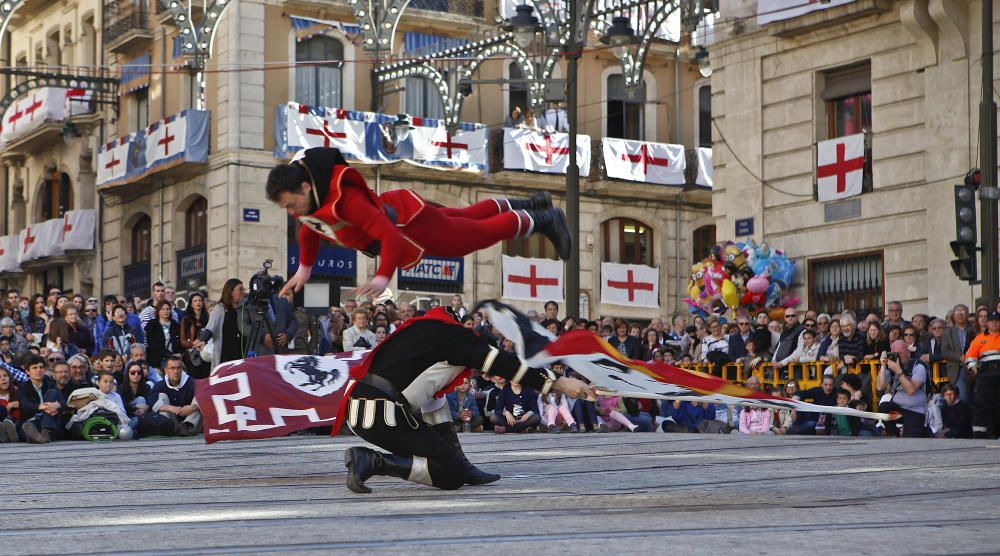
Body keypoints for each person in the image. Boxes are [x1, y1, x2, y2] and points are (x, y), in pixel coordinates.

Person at [341, 306, 593, 493]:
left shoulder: (416, 331)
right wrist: (558, 382)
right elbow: (502, 363)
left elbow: (433, 403)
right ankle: (374, 462)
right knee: (450, 475)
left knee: (452, 462)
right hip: (382, 412)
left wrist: (461, 462)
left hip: (358, 410)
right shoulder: (452, 336)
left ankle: (460, 465)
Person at [268, 147, 570, 299]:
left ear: (305, 187)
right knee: (465, 217)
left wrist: (381, 278)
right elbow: (309, 228)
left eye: (291, 204)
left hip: (409, 229)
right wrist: (304, 271)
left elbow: (390, 238)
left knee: (474, 235)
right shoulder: (310, 200)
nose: (292, 212)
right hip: (405, 213)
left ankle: (543, 219)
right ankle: (529, 204)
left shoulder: (346, 201)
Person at [876, 340, 928, 438]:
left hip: (915, 410)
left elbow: (911, 390)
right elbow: (880, 386)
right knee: (883, 407)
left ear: (908, 353)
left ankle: (925, 431)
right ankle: (894, 434)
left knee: (910, 440)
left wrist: (898, 370)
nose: (899, 356)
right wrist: (883, 366)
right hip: (898, 408)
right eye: (896, 353)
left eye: (901, 353)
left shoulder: (918, 366)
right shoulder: (891, 365)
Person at [963, 310, 1000, 438]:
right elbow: (970, 357)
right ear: (987, 323)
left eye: (997, 321)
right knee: (982, 404)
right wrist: (976, 372)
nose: (995, 324)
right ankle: (981, 434)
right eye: (992, 321)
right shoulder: (980, 339)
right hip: (986, 375)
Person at [199, 279, 250, 369]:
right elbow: (211, 327)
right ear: (231, 291)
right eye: (240, 289)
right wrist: (203, 339)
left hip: (242, 353)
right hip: (225, 354)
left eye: (243, 290)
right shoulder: (220, 308)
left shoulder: (244, 308)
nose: (243, 292)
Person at [18, 353, 67, 444]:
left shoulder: (50, 384)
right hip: (33, 420)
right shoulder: (23, 387)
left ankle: (45, 433)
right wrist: (40, 406)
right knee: (28, 427)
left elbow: (65, 403)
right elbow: (25, 405)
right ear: (27, 371)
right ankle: (39, 436)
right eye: (35, 368)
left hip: (51, 422)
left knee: (52, 393)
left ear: (45, 369)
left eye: (41, 367)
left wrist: (57, 405)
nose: (39, 370)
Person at [150, 356, 201, 437]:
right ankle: (168, 428)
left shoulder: (191, 382)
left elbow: (206, 397)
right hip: (172, 422)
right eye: (172, 368)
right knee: (162, 396)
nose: (176, 371)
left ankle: (187, 427)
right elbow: (151, 403)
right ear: (166, 370)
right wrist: (171, 408)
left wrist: (192, 408)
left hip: (190, 418)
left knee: (199, 398)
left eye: (178, 368)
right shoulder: (160, 385)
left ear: (182, 369)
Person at [942, 304, 974, 404]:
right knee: (962, 396)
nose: (960, 315)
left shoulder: (974, 330)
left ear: (968, 315)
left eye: (963, 312)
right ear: (953, 316)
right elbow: (945, 352)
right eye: (957, 312)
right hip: (957, 368)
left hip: (974, 367)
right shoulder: (947, 332)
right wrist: (959, 357)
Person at [180, 292, 211, 378]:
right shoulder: (186, 319)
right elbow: (182, 340)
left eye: (200, 300)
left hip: (206, 352)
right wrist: (193, 344)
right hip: (192, 354)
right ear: (191, 304)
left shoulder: (207, 318)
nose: (198, 303)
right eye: (195, 301)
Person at [144, 300, 181, 369]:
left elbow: (179, 342)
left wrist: (178, 354)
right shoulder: (152, 325)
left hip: (174, 360)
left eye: (167, 309)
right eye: (163, 309)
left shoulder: (175, 325)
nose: (165, 311)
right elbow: (151, 344)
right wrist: (167, 354)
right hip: (157, 360)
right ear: (158, 311)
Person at [0, 367, 19, 442]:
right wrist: (9, 406)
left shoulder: (18, 391)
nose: (3, 379)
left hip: (17, 423)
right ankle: (4, 436)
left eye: (5, 375)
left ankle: (13, 435)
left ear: (9, 378)